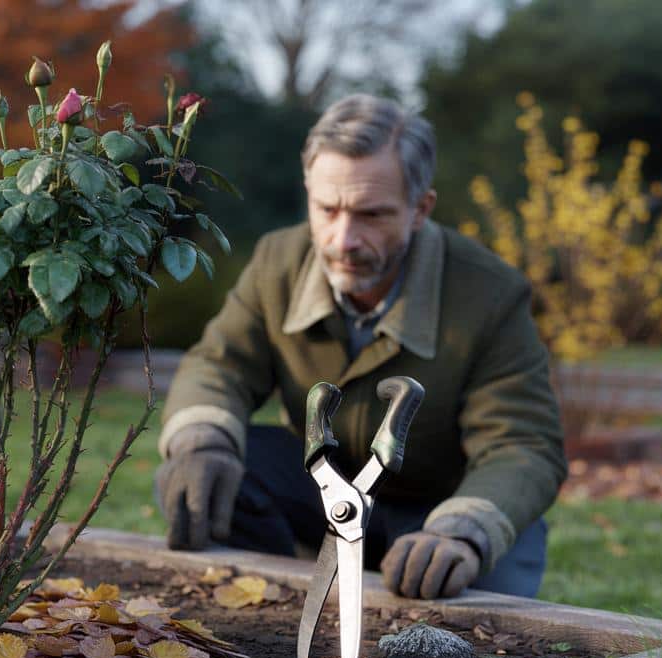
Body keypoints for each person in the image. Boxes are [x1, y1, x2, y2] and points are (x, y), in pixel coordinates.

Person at [154, 93, 566, 600]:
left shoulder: (491, 293)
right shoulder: (276, 261)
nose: (342, 238)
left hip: (440, 511)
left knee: (474, 620)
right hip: (324, 494)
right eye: (327, 209)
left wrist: (461, 532)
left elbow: (522, 446)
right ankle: (276, 609)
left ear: (420, 209)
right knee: (211, 471)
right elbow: (218, 366)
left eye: (372, 214)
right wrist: (201, 441)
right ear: (308, 190)